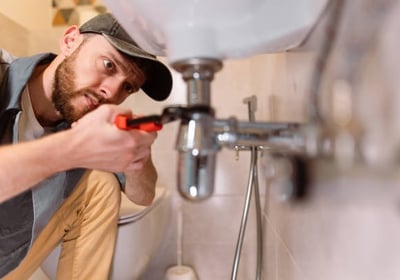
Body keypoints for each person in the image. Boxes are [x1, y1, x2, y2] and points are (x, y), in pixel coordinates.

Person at [0, 12, 172, 279]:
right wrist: (73, 148)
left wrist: (137, 156)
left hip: (8, 264)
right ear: (70, 41)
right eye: (108, 65)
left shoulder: (85, 120)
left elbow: (144, 195)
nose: (113, 93)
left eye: (128, 87)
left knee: (101, 184)